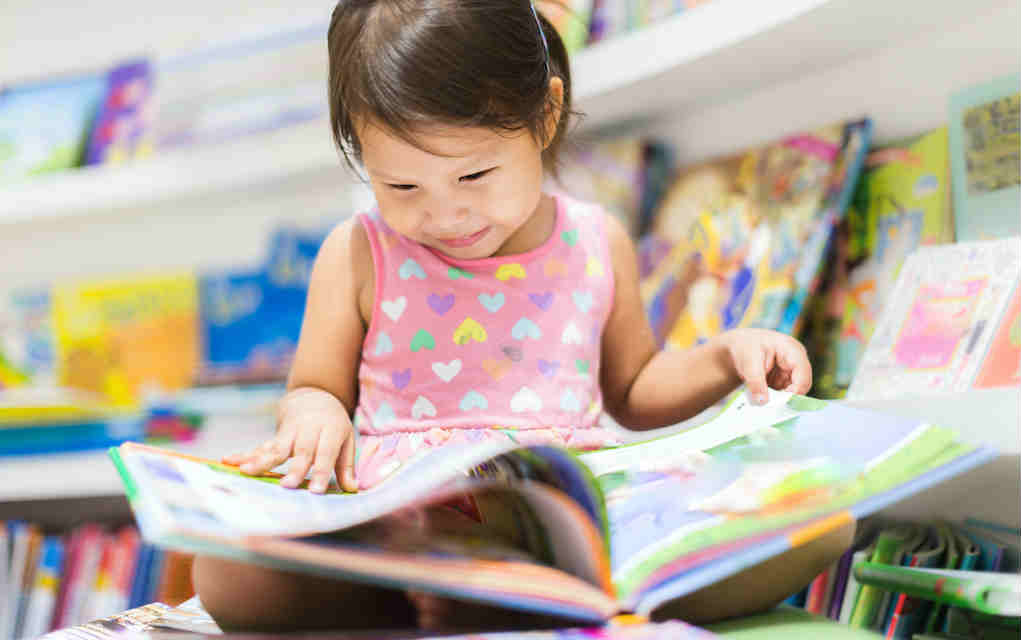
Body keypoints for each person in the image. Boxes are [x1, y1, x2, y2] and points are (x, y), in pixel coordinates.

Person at [192, 0, 854, 631]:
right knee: (227, 578)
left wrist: (723, 357)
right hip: (409, 528)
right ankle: (474, 599)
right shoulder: (359, 253)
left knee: (822, 519)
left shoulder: (597, 242)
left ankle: (522, 596)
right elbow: (315, 387)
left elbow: (633, 393)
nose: (445, 215)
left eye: (474, 176)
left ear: (544, 116)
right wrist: (314, 415)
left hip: (565, 520)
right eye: (401, 187)